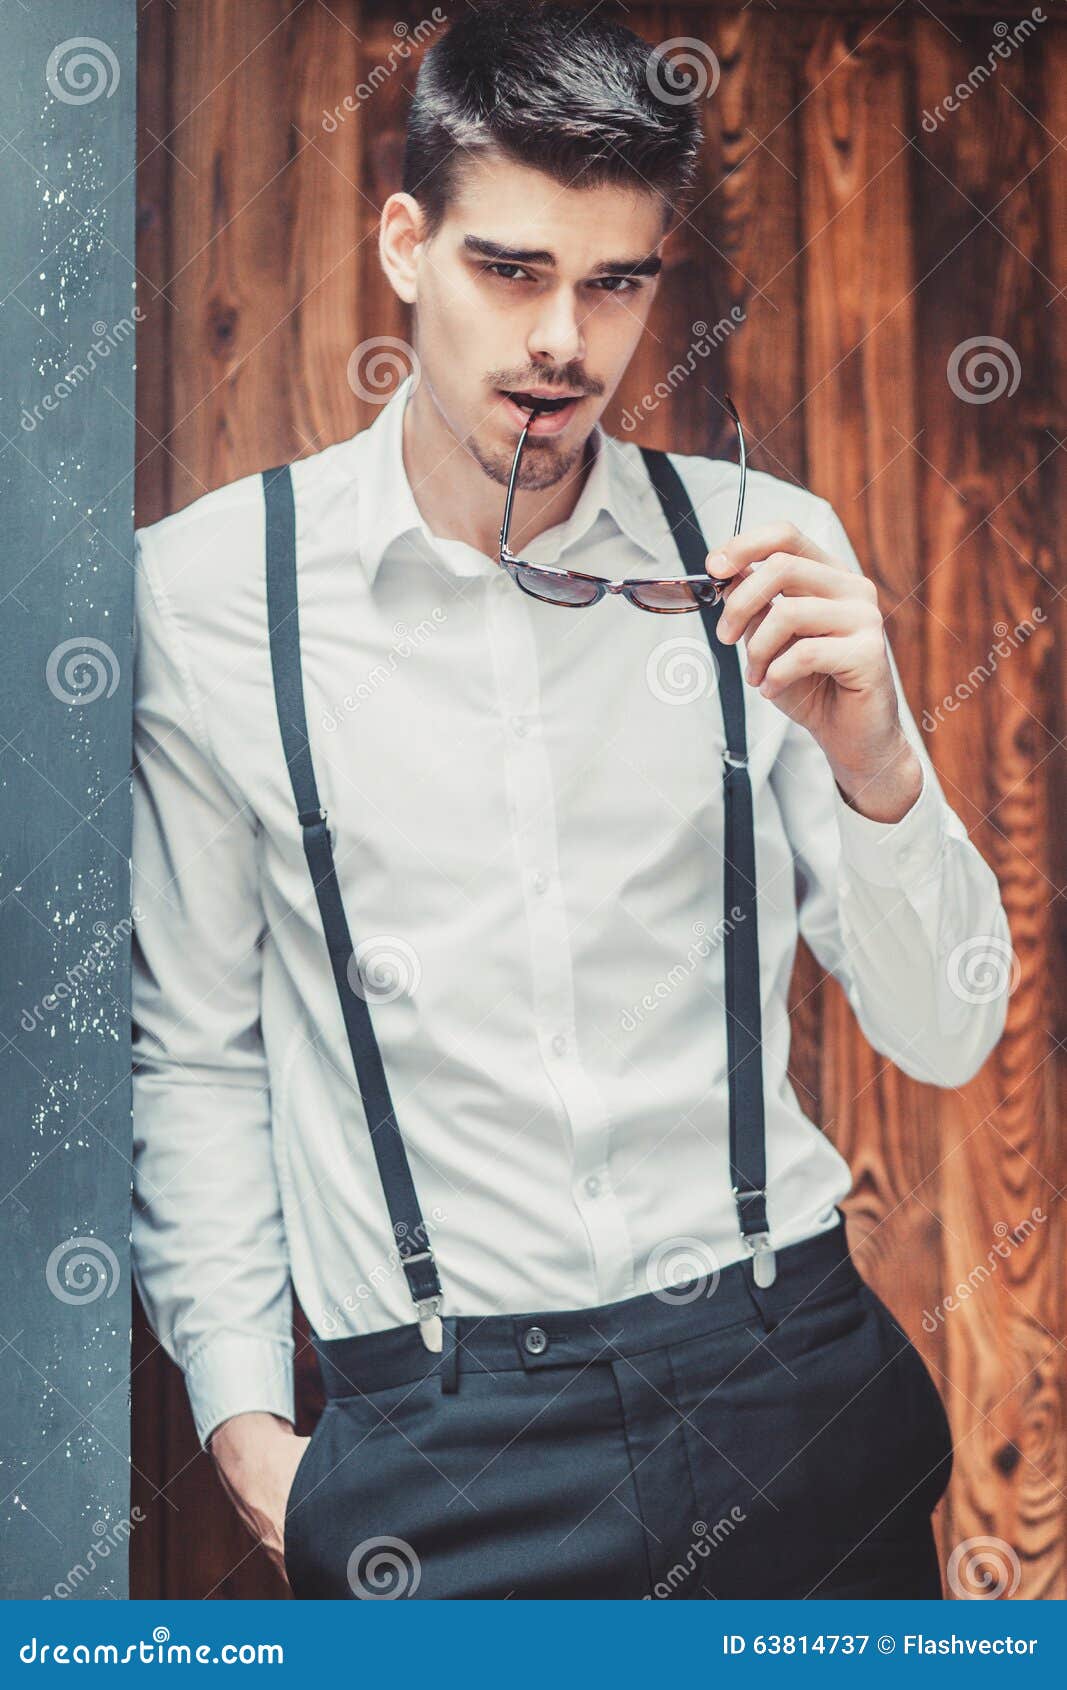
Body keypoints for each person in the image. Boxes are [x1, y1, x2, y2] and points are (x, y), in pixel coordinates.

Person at [131, 0, 1009, 1600]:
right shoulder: (209, 599)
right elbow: (195, 1052)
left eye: (614, 283)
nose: (564, 342)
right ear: (406, 242)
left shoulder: (764, 548)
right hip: (445, 1449)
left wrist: (885, 760)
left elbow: (949, 1036)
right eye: (511, 270)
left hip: (791, 1383)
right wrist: (253, 1429)